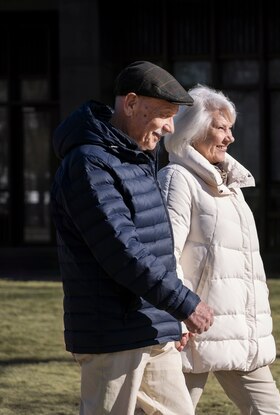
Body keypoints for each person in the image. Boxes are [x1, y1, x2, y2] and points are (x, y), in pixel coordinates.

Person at [50, 61, 214, 415]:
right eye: (164, 115)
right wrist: (183, 305)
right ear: (131, 103)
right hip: (111, 332)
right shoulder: (89, 164)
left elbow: (155, 247)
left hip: (149, 326)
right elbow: (122, 250)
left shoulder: (135, 156)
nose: (170, 127)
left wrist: (169, 318)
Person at [158, 84, 280, 414]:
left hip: (239, 335)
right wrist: (180, 317)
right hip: (191, 332)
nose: (230, 138)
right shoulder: (177, 179)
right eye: (221, 128)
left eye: (231, 129)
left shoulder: (232, 187)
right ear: (194, 129)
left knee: (268, 409)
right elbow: (165, 254)